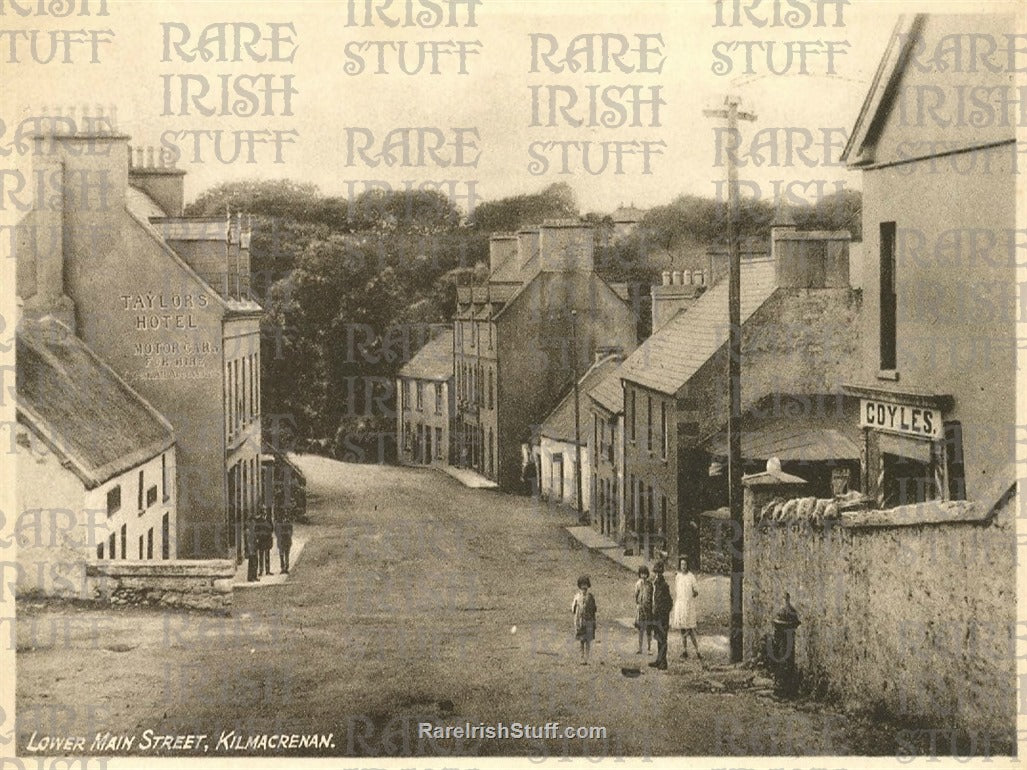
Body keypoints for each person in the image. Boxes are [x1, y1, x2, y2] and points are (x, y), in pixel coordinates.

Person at [671, 556, 702, 660]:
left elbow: (696, 591)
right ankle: (685, 651)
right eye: (682, 564)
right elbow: (677, 590)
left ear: (687, 565)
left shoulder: (691, 577)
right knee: (682, 629)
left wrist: (689, 598)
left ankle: (697, 651)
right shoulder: (678, 576)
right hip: (680, 605)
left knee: (690, 629)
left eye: (685, 564)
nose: (683, 566)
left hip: (688, 605)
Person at [649, 562, 672, 670]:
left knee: (663, 639)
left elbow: (669, 603)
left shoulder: (664, 586)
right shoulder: (654, 585)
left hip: (662, 617)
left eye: (659, 573)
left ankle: (664, 662)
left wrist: (664, 614)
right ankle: (659, 659)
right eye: (655, 573)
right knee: (658, 637)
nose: (657, 575)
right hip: (656, 615)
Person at [571, 575, 597, 665]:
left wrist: (593, 621)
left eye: (585, 585)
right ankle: (582, 657)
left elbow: (594, 609)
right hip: (581, 621)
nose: (584, 587)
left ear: (588, 585)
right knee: (582, 640)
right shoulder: (577, 597)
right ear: (579, 586)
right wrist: (577, 619)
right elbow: (573, 609)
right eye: (582, 585)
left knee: (588, 640)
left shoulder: (590, 597)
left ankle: (587, 658)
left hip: (589, 620)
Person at [633, 565, 654, 654]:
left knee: (649, 629)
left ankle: (649, 648)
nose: (643, 576)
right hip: (641, 608)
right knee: (640, 629)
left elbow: (652, 596)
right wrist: (638, 605)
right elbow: (636, 595)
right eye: (642, 574)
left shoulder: (650, 584)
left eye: (645, 574)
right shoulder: (638, 584)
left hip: (648, 608)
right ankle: (640, 648)